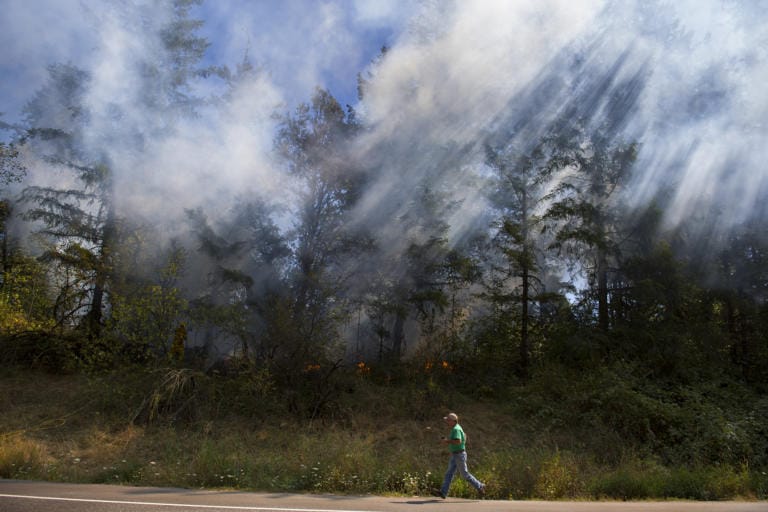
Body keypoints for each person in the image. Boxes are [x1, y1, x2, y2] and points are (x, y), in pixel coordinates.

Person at [438, 412, 485, 499]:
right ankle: (443, 493)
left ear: (453, 421)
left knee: (464, 475)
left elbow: (458, 441)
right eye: (446, 420)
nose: (446, 422)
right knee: (449, 474)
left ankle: (480, 486)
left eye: (448, 420)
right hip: (456, 454)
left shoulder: (456, 429)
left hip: (459, 455)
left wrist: (447, 441)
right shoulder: (456, 428)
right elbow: (464, 436)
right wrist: (448, 441)